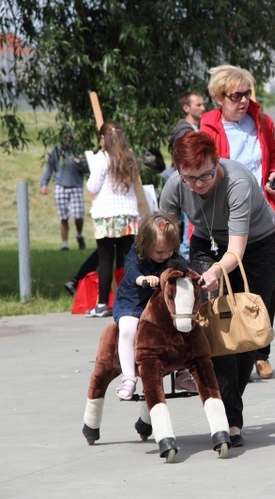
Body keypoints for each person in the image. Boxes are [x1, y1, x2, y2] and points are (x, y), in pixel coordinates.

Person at [160, 131, 275, 447]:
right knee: (215, 321)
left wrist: (216, 270)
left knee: (246, 326)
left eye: (206, 175)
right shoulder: (174, 186)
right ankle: (230, 417)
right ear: (179, 172)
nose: (199, 184)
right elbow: (165, 238)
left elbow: (236, 252)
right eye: (191, 178)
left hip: (255, 245)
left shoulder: (238, 181)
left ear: (217, 163)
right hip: (207, 243)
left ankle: (229, 408)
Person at [200, 64, 275, 380]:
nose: (242, 100)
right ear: (219, 97)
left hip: (263, 217)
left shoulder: (263, 123)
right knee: (229, 286)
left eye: (246, 94)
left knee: (267, 288)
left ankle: (261, 352)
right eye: (236, 95)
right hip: (225, 218)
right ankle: (231, 351)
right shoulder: (208, 129)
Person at [112, 213, 195, 400]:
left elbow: (185, 268)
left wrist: (196, 277)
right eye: (159, 252)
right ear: (146, 245)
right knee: (127, 330)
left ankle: (182, 373)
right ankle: (128, 378)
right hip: (133, 302)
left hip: (159, 306)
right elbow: (131, 270)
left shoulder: (170, 254)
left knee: (180, 326)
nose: (165, 256)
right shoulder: (136, 253)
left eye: (169, 251)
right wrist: (143, 279)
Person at [85, 120, 141, 318]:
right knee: (127, 259)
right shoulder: (129, 157)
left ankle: (102, 304)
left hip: (106, 214)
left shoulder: (101, 158)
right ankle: (131, 300)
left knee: (105, 258)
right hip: (128, 214)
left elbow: (92, 187)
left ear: (103, 138)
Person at [40, 130, 89, 251]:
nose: (68, 138)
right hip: (60, 186)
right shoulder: (56, 150)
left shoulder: (78, 151)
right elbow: (49, 168)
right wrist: (44, 184)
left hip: (76, 186)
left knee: (78, 215)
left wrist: (81, 165)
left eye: (70, 136)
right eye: (66, 136)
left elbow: (87, 168)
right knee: (63, 217)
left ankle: (79, 235)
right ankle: (65, 244)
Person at [162, 91, 206, 184]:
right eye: (198, 105)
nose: (203, 108)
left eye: (203, 104)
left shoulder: (201, 129)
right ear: (186, 108)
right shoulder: (184, 133)